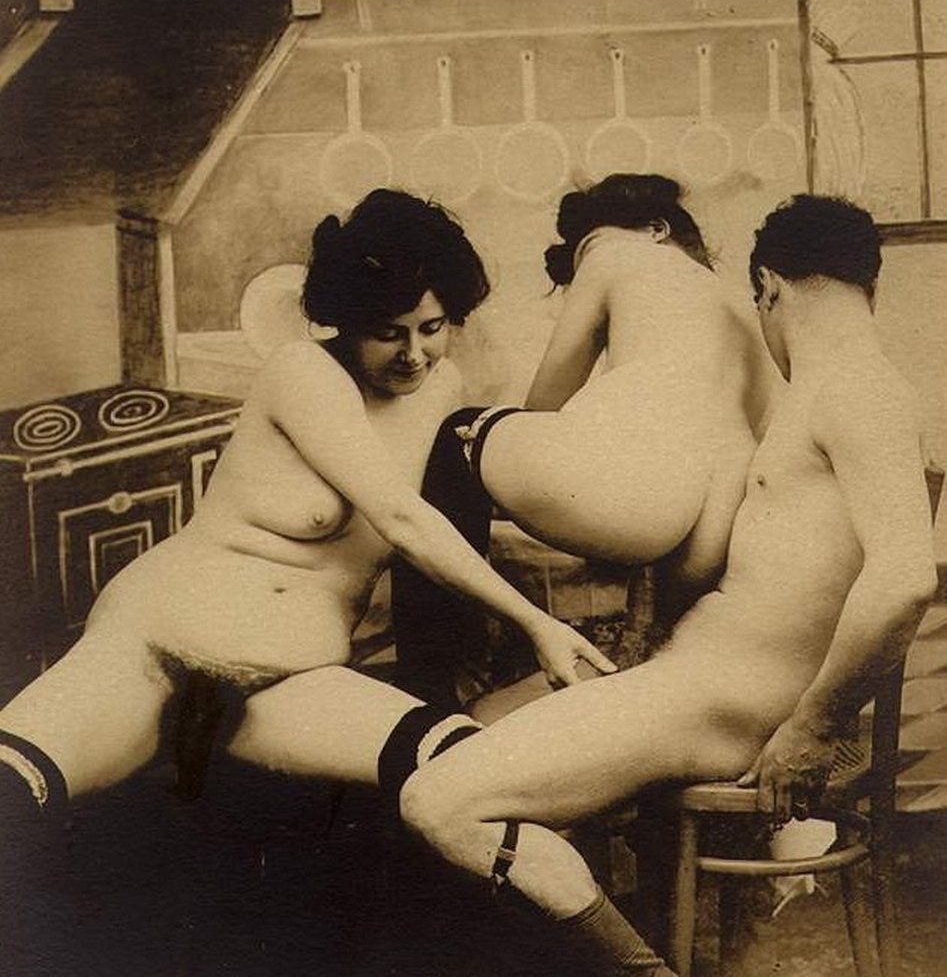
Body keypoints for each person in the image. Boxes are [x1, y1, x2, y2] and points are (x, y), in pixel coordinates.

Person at [0, 189, 618, 972]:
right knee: (12, 792)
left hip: (291, 685)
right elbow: (399, 518)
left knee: (472, 781)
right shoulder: (302, 371)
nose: (413, 353)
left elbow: (439, 515)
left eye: (431, 328)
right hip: (152, 647)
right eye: (387, 333)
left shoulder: (441, 387)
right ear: (343, 321)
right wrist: (539, 623)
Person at [393, 195, 938, 972]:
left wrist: (811, 729)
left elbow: (904, 578)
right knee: (457, 731)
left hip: (722, 706)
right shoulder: (814, 398)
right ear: (868, 285)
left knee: (437, 801)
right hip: (696, 684)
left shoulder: (858, 390)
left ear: (767, 287)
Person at [391, 173, 774, 707]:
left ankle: (428, 690)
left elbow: (543, 404)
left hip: (627, 495)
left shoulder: (615, 255)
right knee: (646, 658)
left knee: (459, 439)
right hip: (710, 528)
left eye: (588, 246)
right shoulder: (749, 311)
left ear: (656, 229)